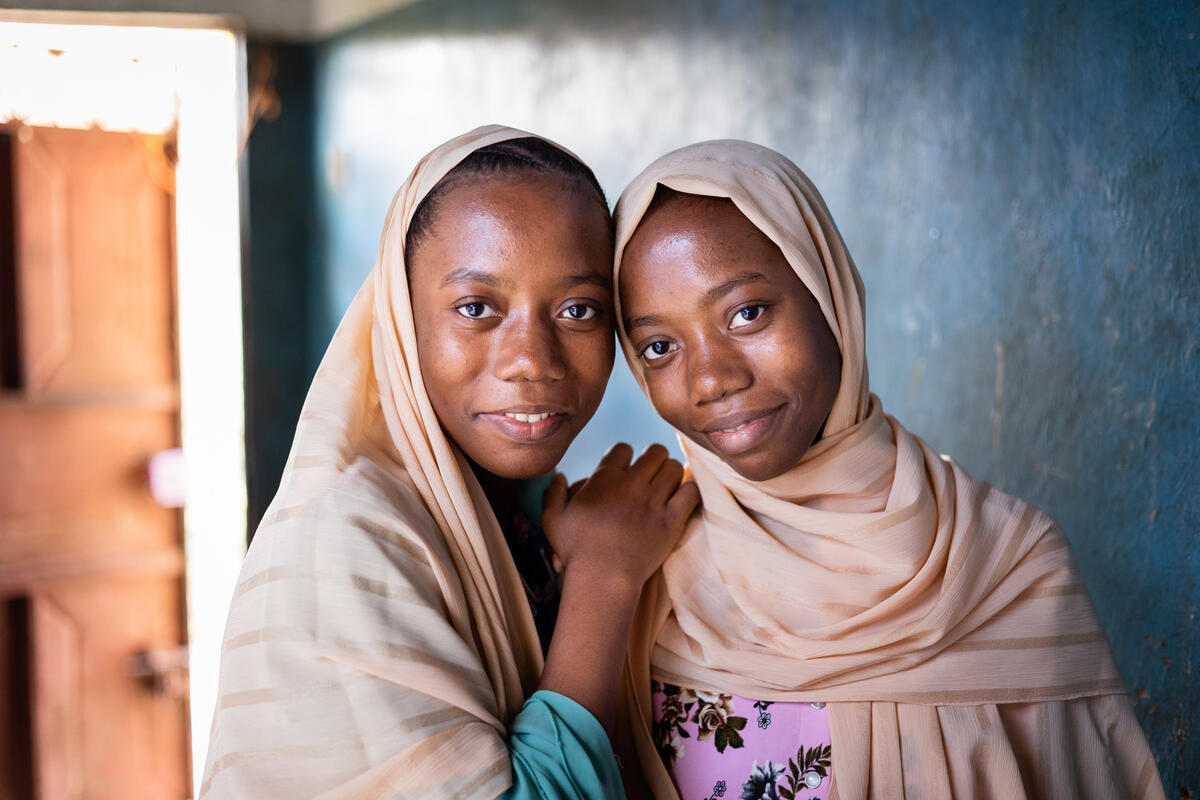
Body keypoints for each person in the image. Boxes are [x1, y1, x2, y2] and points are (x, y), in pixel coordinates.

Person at [612, 140, 1165, 799]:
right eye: (660, 346)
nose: (711, 378)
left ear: (830, 294)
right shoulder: (643, 577)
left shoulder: (1011, 567)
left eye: (748, 313)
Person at [200, 125, 698, 799]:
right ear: (404, 322)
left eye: (578, 309)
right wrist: (605, 577)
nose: (532, 359)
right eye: (476, 307)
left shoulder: (523, 517)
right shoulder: (345, 544)